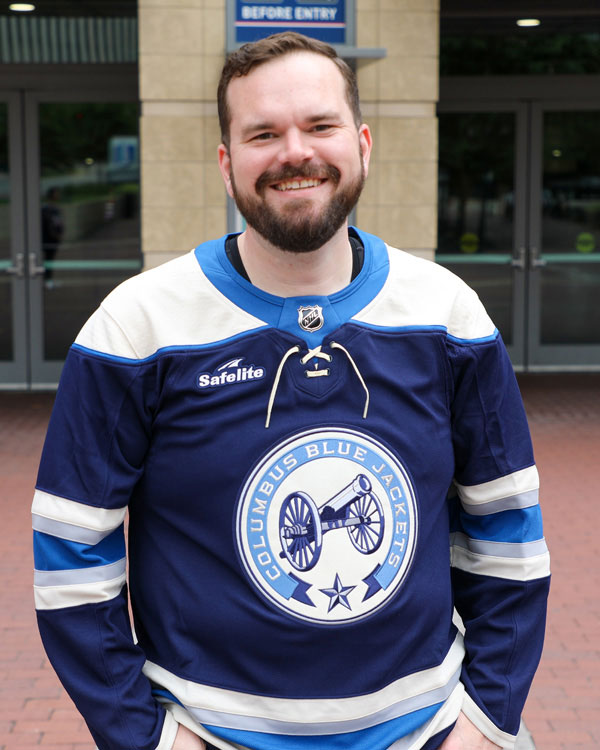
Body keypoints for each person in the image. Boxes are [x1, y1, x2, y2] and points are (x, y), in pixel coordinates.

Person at [32, 32, 550, 750]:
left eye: (320, 126)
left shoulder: (448, 315)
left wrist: (487, 722)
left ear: (362, 144)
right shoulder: (136, 328)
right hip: (209, 733)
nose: (293, 152)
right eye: (263, 133)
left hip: (429, 731)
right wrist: (145, 738)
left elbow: (508, 536)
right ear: (226, 162)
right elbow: (70, 555)